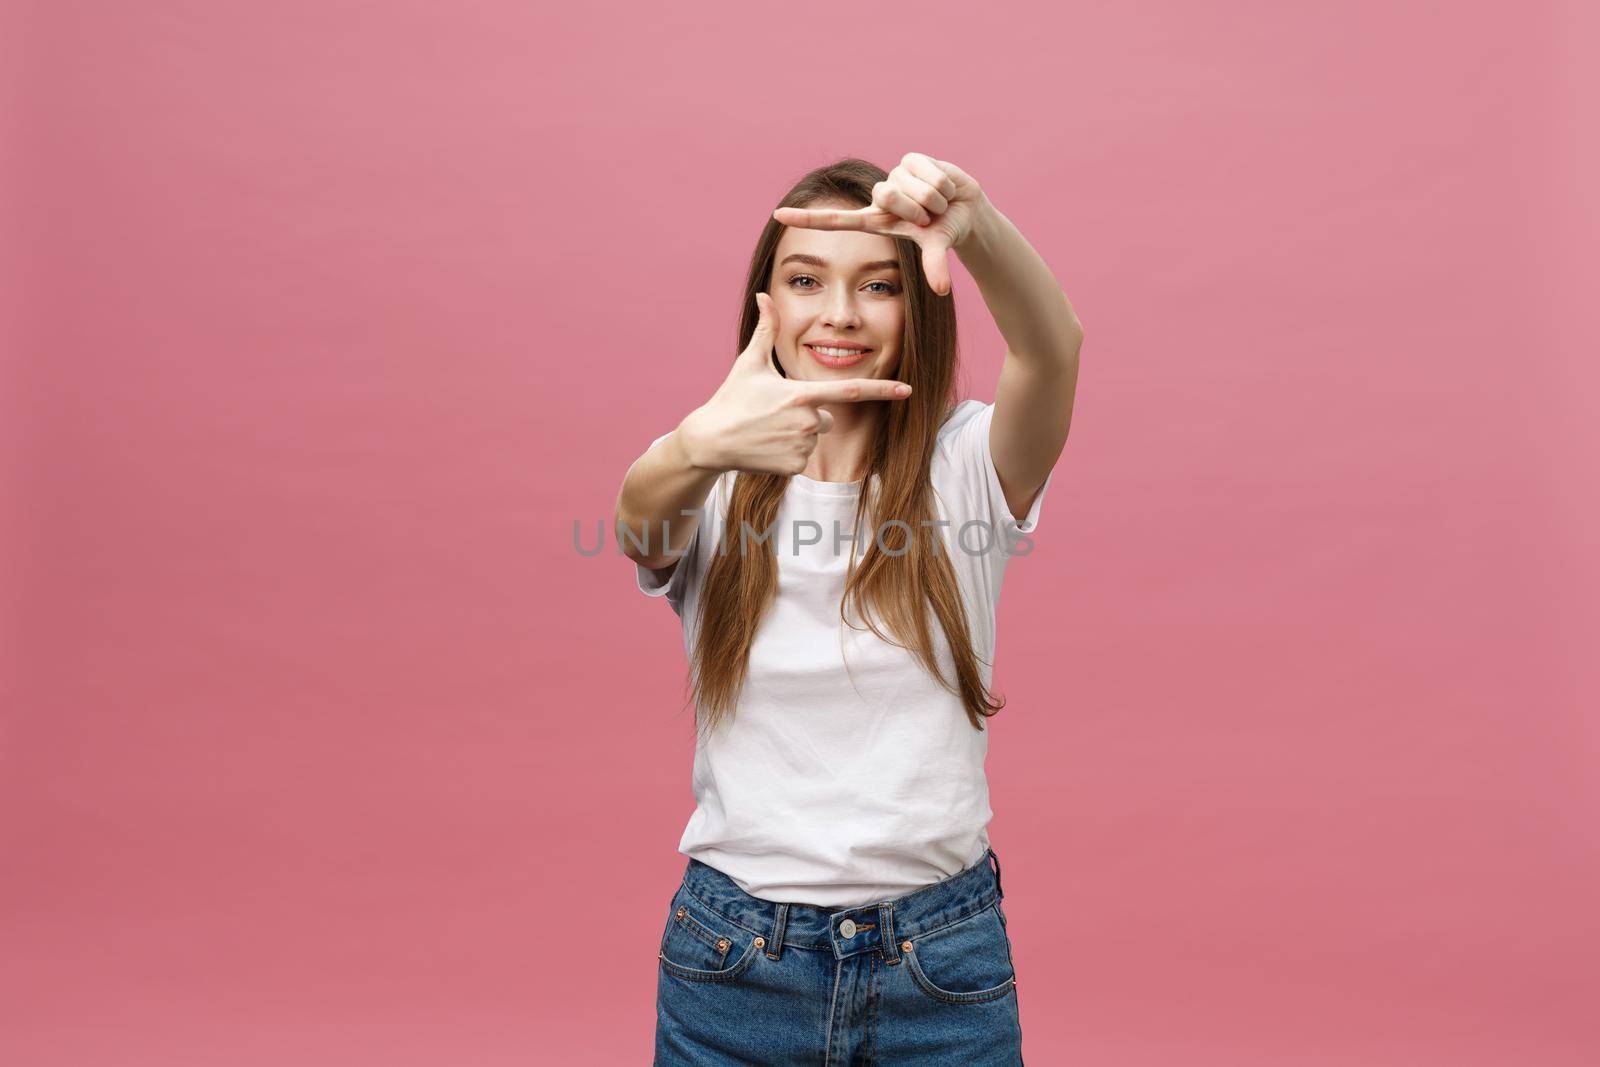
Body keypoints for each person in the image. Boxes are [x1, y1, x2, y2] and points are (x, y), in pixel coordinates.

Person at [616, 152, 1083, 1065]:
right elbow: (638, 520)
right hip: (736, 960)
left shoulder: (968, 465)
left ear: (922, 306)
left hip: (940, 960)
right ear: (768, 305)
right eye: (805, 280)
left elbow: (1053, 345)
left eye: (879, 284)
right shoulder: (706, 474)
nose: (839, 313)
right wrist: (699, 440)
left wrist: (975, 221)